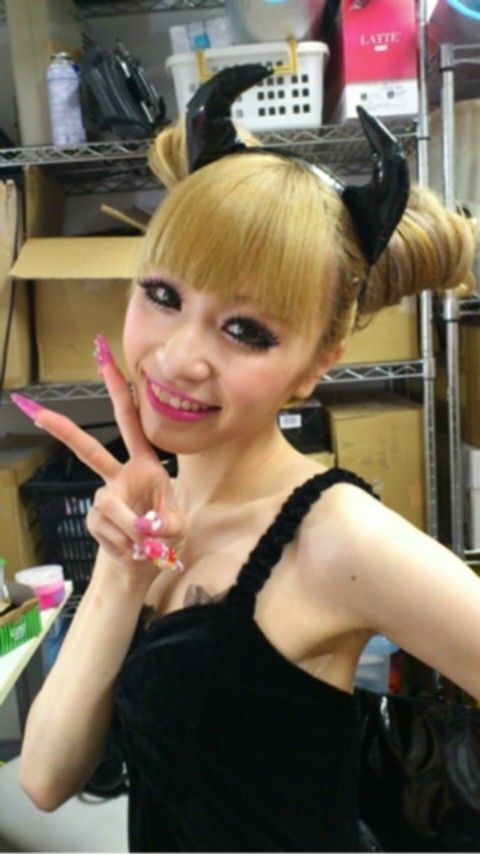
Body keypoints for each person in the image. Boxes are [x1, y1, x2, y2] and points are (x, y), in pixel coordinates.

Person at [11, 65, 480, 852]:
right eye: (163, 294)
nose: (177, 358)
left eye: (246, 331)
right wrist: (123, 571)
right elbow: (46, 778)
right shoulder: (157, 508)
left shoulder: (338, 539)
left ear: (315, 365)